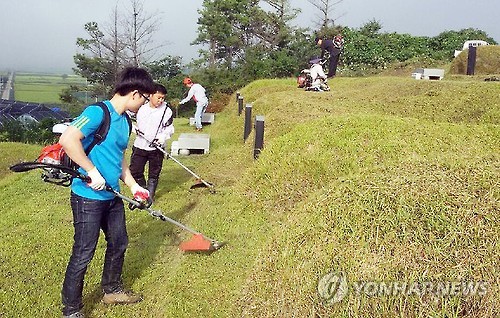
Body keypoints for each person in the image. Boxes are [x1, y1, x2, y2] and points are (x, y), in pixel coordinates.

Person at [58, 67, 156, 318]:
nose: (145, 104)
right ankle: (72, 310)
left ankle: (112, 289)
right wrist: (91, 170)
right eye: (145, 99)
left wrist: (134, 186)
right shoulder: (97, 112)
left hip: (111, 197)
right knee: (83, 252)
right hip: (88, 198)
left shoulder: (124, 122)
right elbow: (68, 140)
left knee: (119, 242)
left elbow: (118, 159)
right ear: (135, 93)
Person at [129, 83, 174, 201]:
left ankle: (150, 196)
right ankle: (143, 192)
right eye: (158, 97)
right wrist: (134, 129)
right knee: (135, 171)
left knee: (154, 174)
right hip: (140, 145)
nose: (160, 100)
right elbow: (126, 116)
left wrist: (161, 138)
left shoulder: (166, 111)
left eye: (163, 98)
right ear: (150, 95)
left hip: (156, 148)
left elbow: (169, 129)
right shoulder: (140, 107)